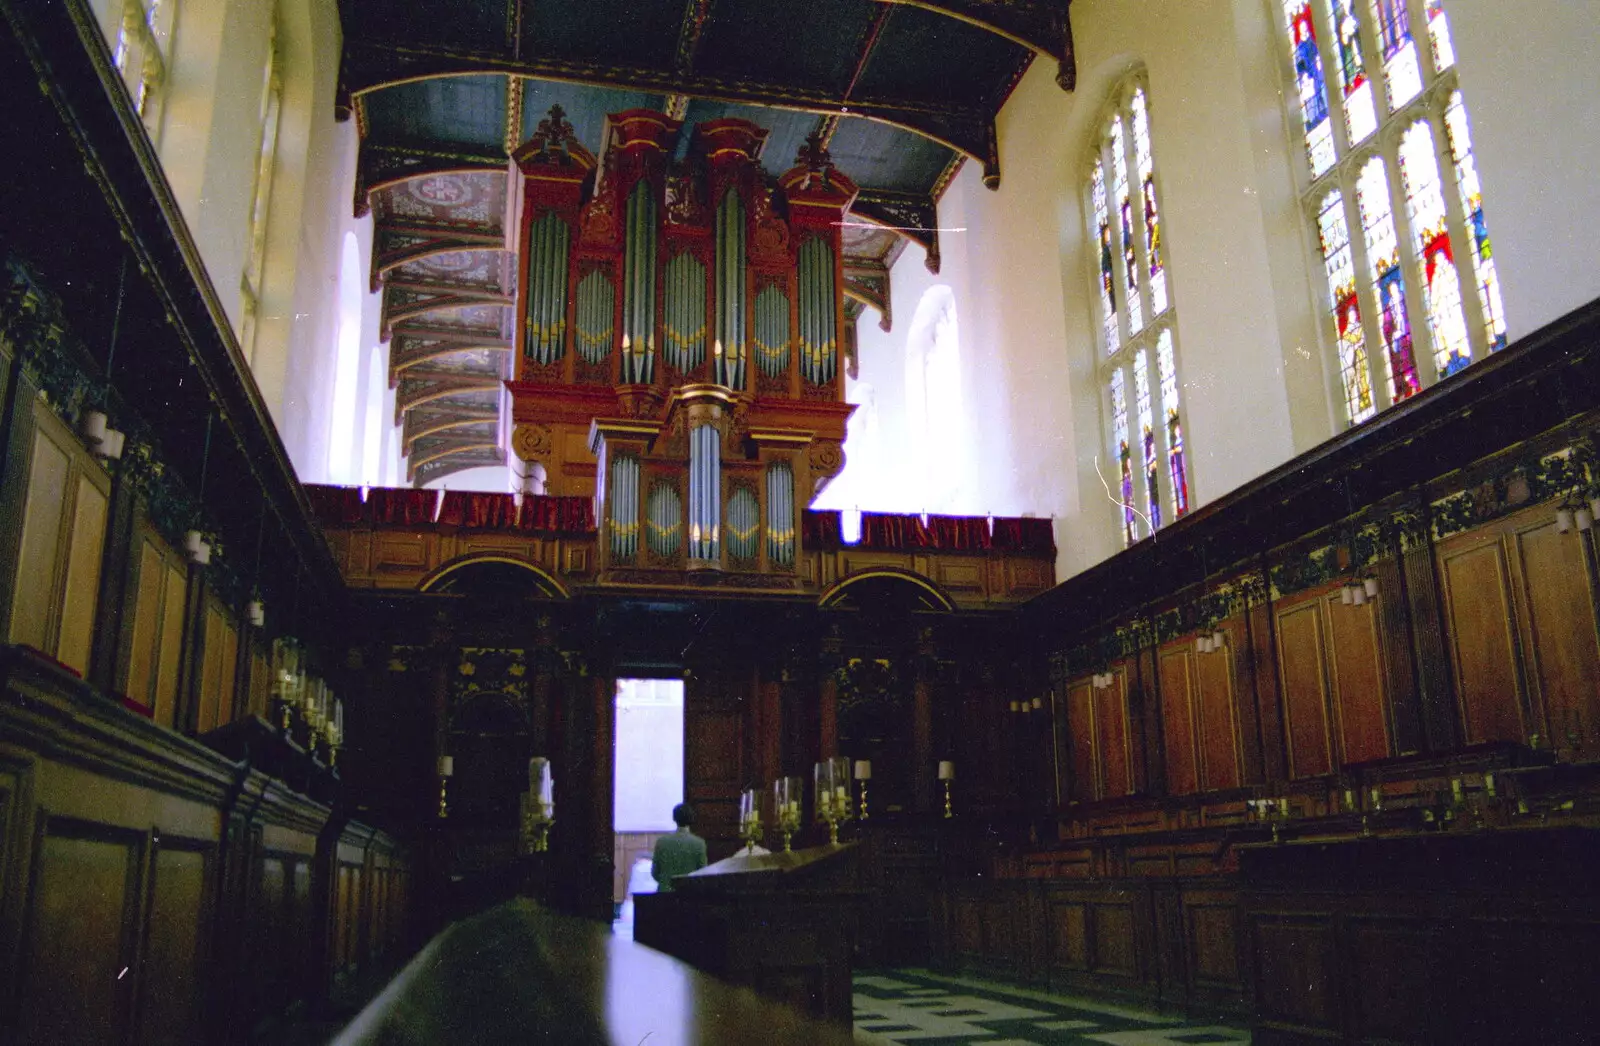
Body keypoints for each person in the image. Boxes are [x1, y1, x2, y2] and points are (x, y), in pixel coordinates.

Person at [651, 803, 708, 892]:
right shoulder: (699, 843)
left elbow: (655, 873)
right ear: (692, 819)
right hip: (689, 894)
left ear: (674, 818)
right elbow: (702, 873)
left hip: (665, 894)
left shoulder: (662, 842)